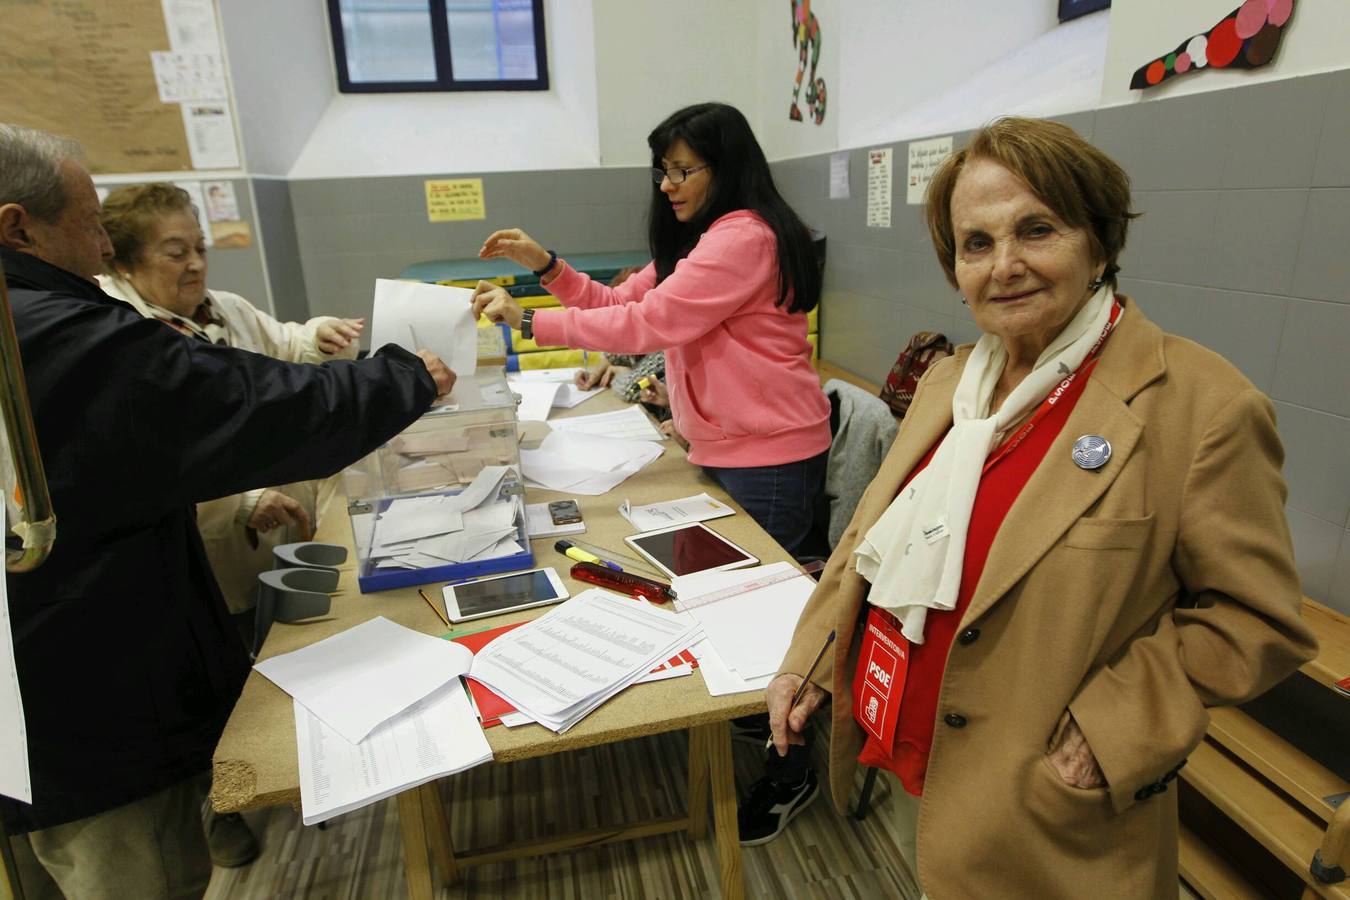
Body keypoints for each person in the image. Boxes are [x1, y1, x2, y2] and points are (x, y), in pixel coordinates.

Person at [769, 117, 1318, 897]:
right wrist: (817, 655)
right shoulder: (949, 384)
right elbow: (869, 536)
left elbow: (1256, 618)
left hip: (1043, 806)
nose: (1007, 265)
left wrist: (1113, 729)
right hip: (907, 760)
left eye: (1037, 230)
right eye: (977, 243)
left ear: (1098, 243)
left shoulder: (1202, 408)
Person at [0, 123, 454, 900]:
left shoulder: (59, 320)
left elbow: (261, 355)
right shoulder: (59, 333)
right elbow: (241, 405)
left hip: (33, 699)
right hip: (78, 701)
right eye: (88, 222)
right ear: (18, 226)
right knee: (133, 869)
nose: (103, 243)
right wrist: (400, 378)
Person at [471, 103, 832, 843]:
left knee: (762, 625)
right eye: (662, 170)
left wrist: (529, 321)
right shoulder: (704, 241)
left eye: (682, 170)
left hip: (769, 455)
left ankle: (791, 771)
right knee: (727, 603)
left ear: (724, 167)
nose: (668, 184)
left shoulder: (744, 238)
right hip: (731, 449)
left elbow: (649, 327)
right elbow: (619, 301)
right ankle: (752, 715)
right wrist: (546, 269)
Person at [97, 182, 363, 641]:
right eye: (176, 253)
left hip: (284, 530)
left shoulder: (224, 309)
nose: (196, 263)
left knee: (292, 630)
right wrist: (240, 502)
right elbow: (138, 461)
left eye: (199, 247)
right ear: (124, 261)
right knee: (239, 643)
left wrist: (318, 336)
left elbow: (285, 344)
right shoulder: (118, 337)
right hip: (211, 551)